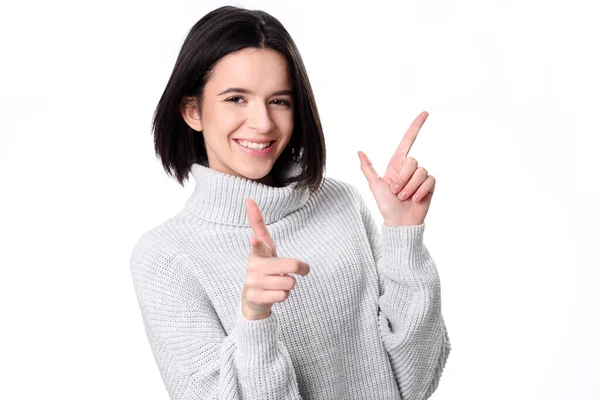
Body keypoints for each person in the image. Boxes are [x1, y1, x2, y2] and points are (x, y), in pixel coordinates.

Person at [129, 5, 451, 400]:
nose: (263, 122)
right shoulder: (164, 257)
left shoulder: (340, 202)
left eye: (279, 101)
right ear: (192, 110)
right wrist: (255, 321)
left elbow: (416, 382)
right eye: (236, 99)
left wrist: (404, 237)